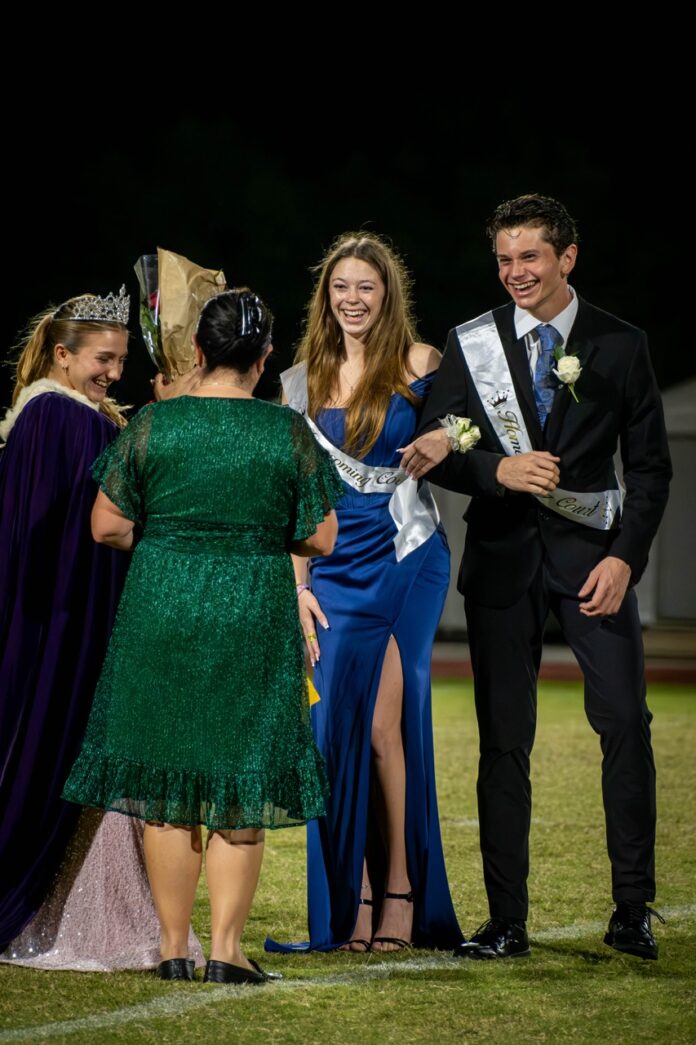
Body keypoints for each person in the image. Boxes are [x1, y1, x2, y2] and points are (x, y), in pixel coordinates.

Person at [401, 194, 672, 961]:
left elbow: (650, 468)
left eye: (530, 257)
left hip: (596, 565)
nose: (515, 272)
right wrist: (496, 466)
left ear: (567, 257)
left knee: (625, 723)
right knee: (502, 742)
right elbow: (433, 447)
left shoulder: (621, 344)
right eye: (504, 259)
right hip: (502, 564)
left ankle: (631, 909)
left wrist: (626, 558)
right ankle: (506, 921)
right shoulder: (471, 341)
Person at [63, 288, 343, 983]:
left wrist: (168, 540)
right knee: (240, 779)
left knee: (167, 782)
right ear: (266, 357)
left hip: (162, 605)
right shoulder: (285, 431)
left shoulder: (155, 425)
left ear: (198, 350)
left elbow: (105, 524)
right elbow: (320, 534)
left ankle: (169, 947)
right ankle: (225, 949)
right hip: (250, 607)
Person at [269, 233, 462, 954]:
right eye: (341, 287)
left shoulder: (420, 363)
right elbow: (293, 496)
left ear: (388, 294)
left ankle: (400, 893)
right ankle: (351, 899)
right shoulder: (296, 381)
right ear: (327, 294)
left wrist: (448, 440)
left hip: (407, 557)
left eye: (366, 287)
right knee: (333, 733)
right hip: (330, 570)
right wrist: (298, 586)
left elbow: (465, 440)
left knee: (387, 726)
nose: (352, 299)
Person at [0, 288, 173, 969]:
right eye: (103, 358)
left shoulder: (59, 413)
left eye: (121, 360)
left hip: (60, 615)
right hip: (66, 621)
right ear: (61, 353)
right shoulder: (60, 418)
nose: (113, 373)